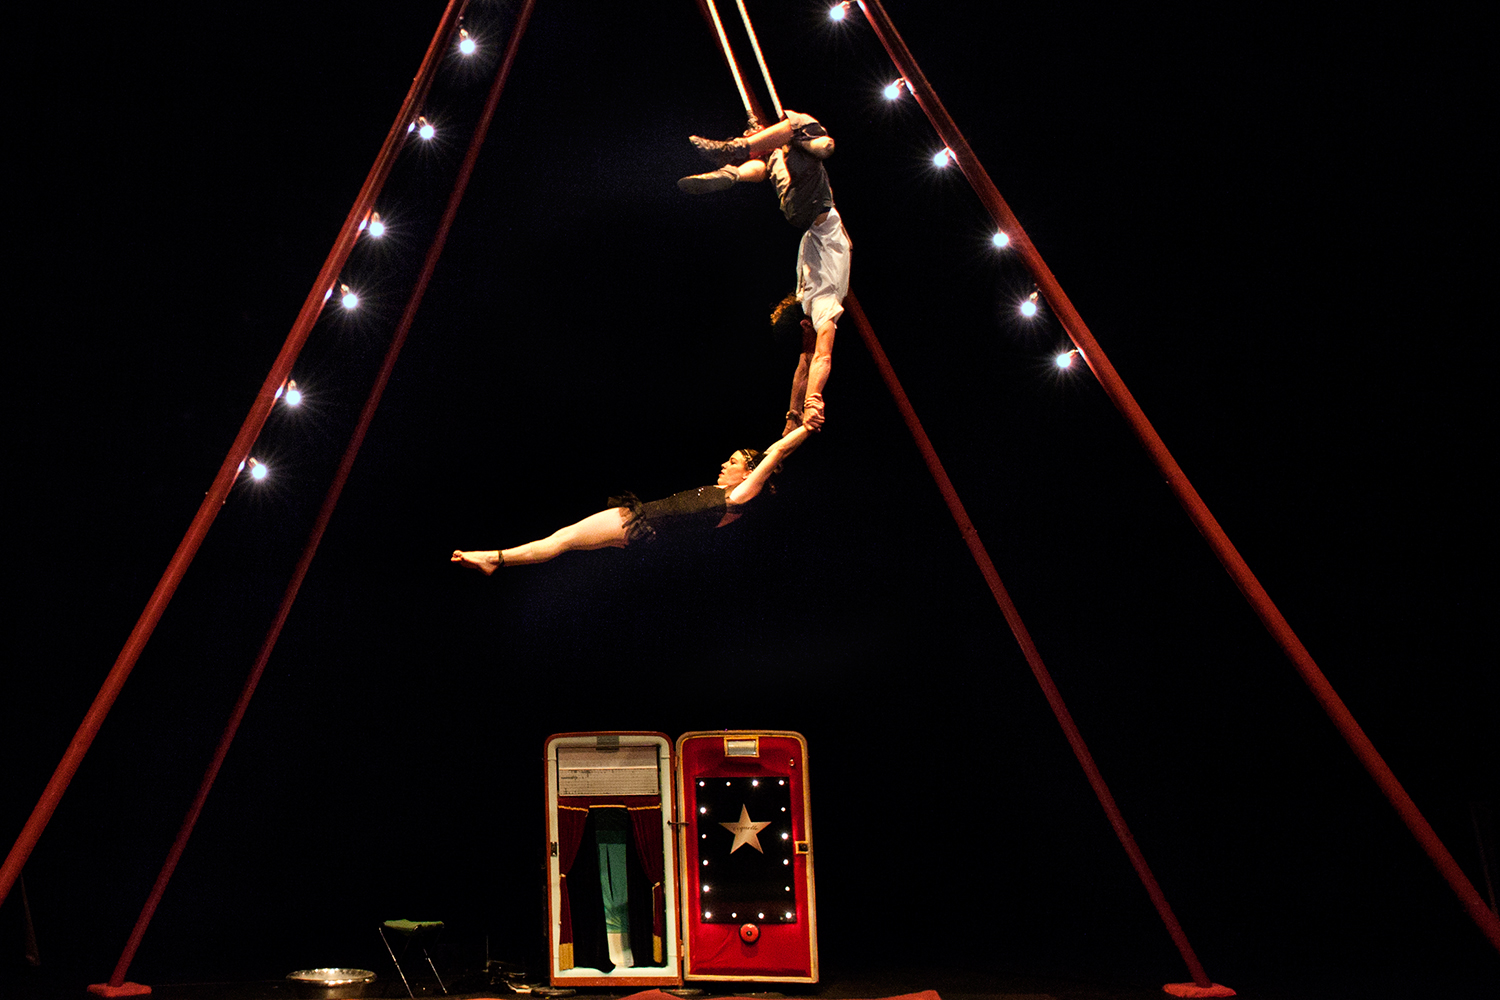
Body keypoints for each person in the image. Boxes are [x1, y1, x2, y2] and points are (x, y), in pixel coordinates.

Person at [678, 111, 850, 436]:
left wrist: (813, 400)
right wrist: (794, 414)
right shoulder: (807, 293)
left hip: (814, 208)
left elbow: (819, 359)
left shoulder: (822, 303)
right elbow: (806, 363)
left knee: (804, 131)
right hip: (797, 206)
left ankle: (736, 151)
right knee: (789, 147)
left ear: (804, 325)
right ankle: (734, 171)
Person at [450, 424, 810, 573]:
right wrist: (796, 416)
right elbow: (778, 447)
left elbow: (776, 453)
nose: (723, 464)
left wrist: (807, 428)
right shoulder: (727, 494)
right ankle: (495, 558)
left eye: (732, 462)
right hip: (643, 529)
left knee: (562, 539)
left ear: (749, 474)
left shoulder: (741, 496)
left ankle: (493, 558)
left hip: (640, 522)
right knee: (565, 541)